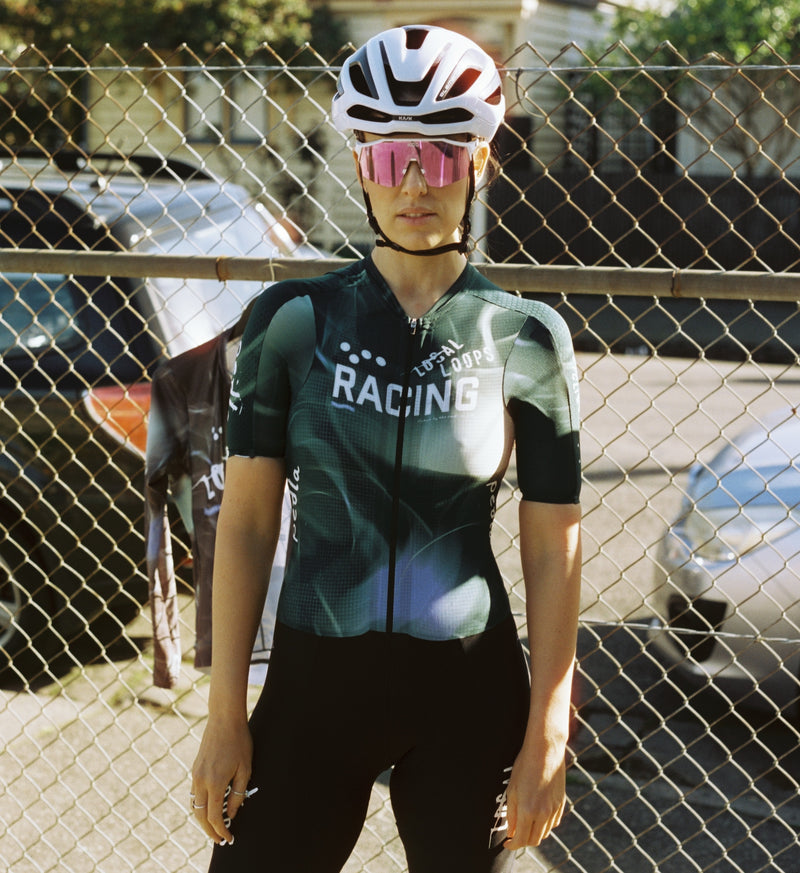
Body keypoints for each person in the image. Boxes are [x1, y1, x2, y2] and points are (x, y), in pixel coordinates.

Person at [191, 23, 582, 873]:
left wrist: (550, 727)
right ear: (360, 162)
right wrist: (225, 712)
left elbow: (553, 547)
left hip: (469, 697)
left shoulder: (526, 337)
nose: (414, 182)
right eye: (388, 155)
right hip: (313, 688)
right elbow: (249, 523)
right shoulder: (291, 324)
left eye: (441, 157)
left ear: (478, 164)